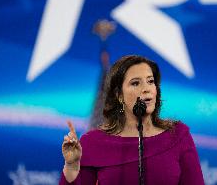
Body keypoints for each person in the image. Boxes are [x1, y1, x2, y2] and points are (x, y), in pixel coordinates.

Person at [59, 55, 205, 185]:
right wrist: (71, 166)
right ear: (119, 95)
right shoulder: (93, 142)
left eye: (150, 81)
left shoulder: (177, 135)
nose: (146, 88)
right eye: (135, 83)